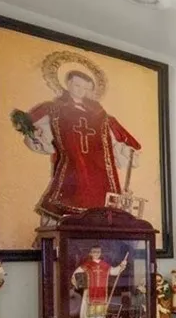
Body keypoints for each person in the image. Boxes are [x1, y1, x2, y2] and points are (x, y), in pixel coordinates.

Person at [19, 70, 142, 220]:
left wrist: (127, 151)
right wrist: (36, 135)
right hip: (72, 167)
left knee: (103, 211)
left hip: (99, 171)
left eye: (85, 88)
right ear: (68, 84)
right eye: (77, 85)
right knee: (64, 204)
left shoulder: (100, 115)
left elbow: (116, 141)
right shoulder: (54, 109)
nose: (81, 91)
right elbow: (35, 131)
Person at [71, 246, 127, 318]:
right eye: (94, 252)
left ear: (100, 253)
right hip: (89, 292)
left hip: (101, 292)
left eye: (98, 252)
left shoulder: (104, 265)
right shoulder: (87, 264)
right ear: (91, 253)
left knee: (99, 312)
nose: (96, 254)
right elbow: (76, 274)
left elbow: (114, 271)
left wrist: (121, 265)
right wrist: (78, 282)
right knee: (87, 309)